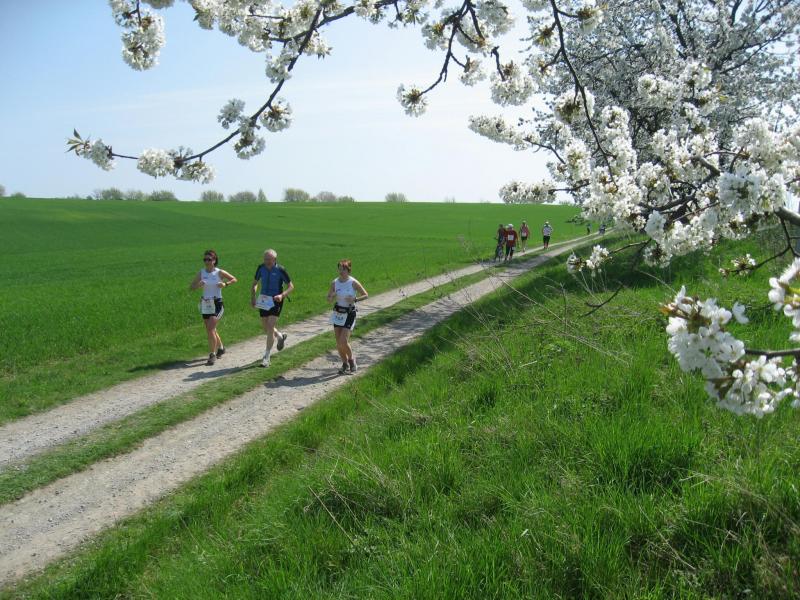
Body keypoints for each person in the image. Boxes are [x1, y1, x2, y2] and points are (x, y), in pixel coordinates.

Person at [188, 249, 237, 366]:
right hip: (205, 304)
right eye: (205, 259)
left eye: (209, 259)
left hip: (217, 303)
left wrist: (225, 284)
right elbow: (191, 287)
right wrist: (198, 285)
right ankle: (221, 348)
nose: (207, 261)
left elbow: (234, 279)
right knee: (211, 329)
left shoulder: (219, 272)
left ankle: (212, 354)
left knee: (210, 329)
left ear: (214, 260)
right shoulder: (201, 273)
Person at [251, 248, 294, 368]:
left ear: (275, 259)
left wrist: (282, 295)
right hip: (263, 300)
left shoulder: (280, 270)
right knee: (266, 327)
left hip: (276, 300)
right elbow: (255, 283)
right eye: (265, 259)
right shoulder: (261, 268)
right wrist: (253, 296)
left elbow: (291, 286)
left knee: (270, 326)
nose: (267, 261)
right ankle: (280, 336)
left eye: (269, 259)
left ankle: (266, 357)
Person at [326, 259, 369, 374]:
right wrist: (331, 296)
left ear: (348, 270)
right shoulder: (335, 283)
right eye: (340, 269)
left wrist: (355, 299)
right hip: (338, 313)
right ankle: (344, 364)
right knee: (338, 343)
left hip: (350, 313)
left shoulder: (353, 282)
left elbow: (366, 295)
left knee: (343, 341)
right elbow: (328, 299)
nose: (341, 271)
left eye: (343, 269)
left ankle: (351, 360)